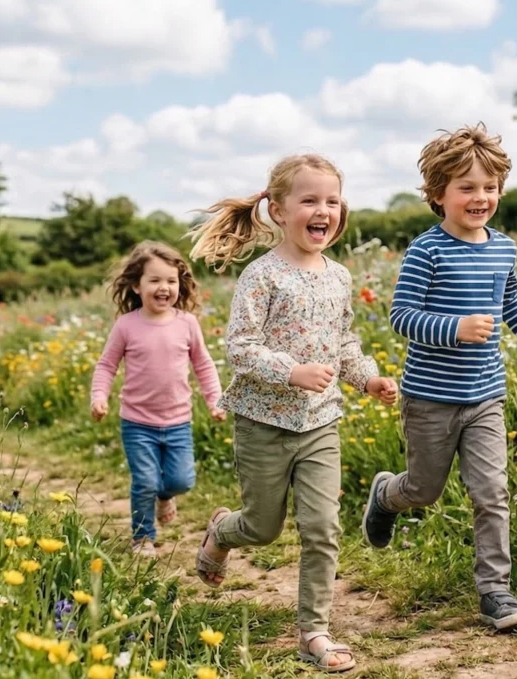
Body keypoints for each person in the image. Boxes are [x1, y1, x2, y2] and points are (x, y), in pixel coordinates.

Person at [189, 154, 397, 673]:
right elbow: (240, 347)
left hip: (321, 423)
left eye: (331, 200)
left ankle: (313, 633)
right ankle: (222, 531)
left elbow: (345, 342)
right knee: (262, 526)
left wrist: (367, 377)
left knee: (322, 527)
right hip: (262, 422)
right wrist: (291, 370)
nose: (323, 210)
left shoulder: (340, 277)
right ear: (278, 211)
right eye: (309, 200)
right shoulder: (262, 276)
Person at [361, 123, 517, 631]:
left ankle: (496, 592)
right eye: (467, 187)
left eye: (490, 187)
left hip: (485, 395)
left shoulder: (503, 248)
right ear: (437, 194)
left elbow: (511, 302)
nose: (481, 197)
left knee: (491, 491)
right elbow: (401, 316)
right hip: (430, 398)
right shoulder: (427, 251)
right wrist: (455, 328)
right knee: (423, 491)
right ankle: (387, 494)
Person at [90, 240, 225, 558]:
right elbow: (107, 365)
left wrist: (215, 401)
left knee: (181, 481)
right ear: (136, 285)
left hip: (178, 421)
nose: (164, 287)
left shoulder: (187, 324)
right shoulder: (126, 326)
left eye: (171, 280)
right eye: (155, 280)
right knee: (144, 481)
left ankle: (166, 497)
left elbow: (203, 365)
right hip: (137, 423)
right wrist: (99, 396)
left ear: (180, 284)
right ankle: (143, 538)